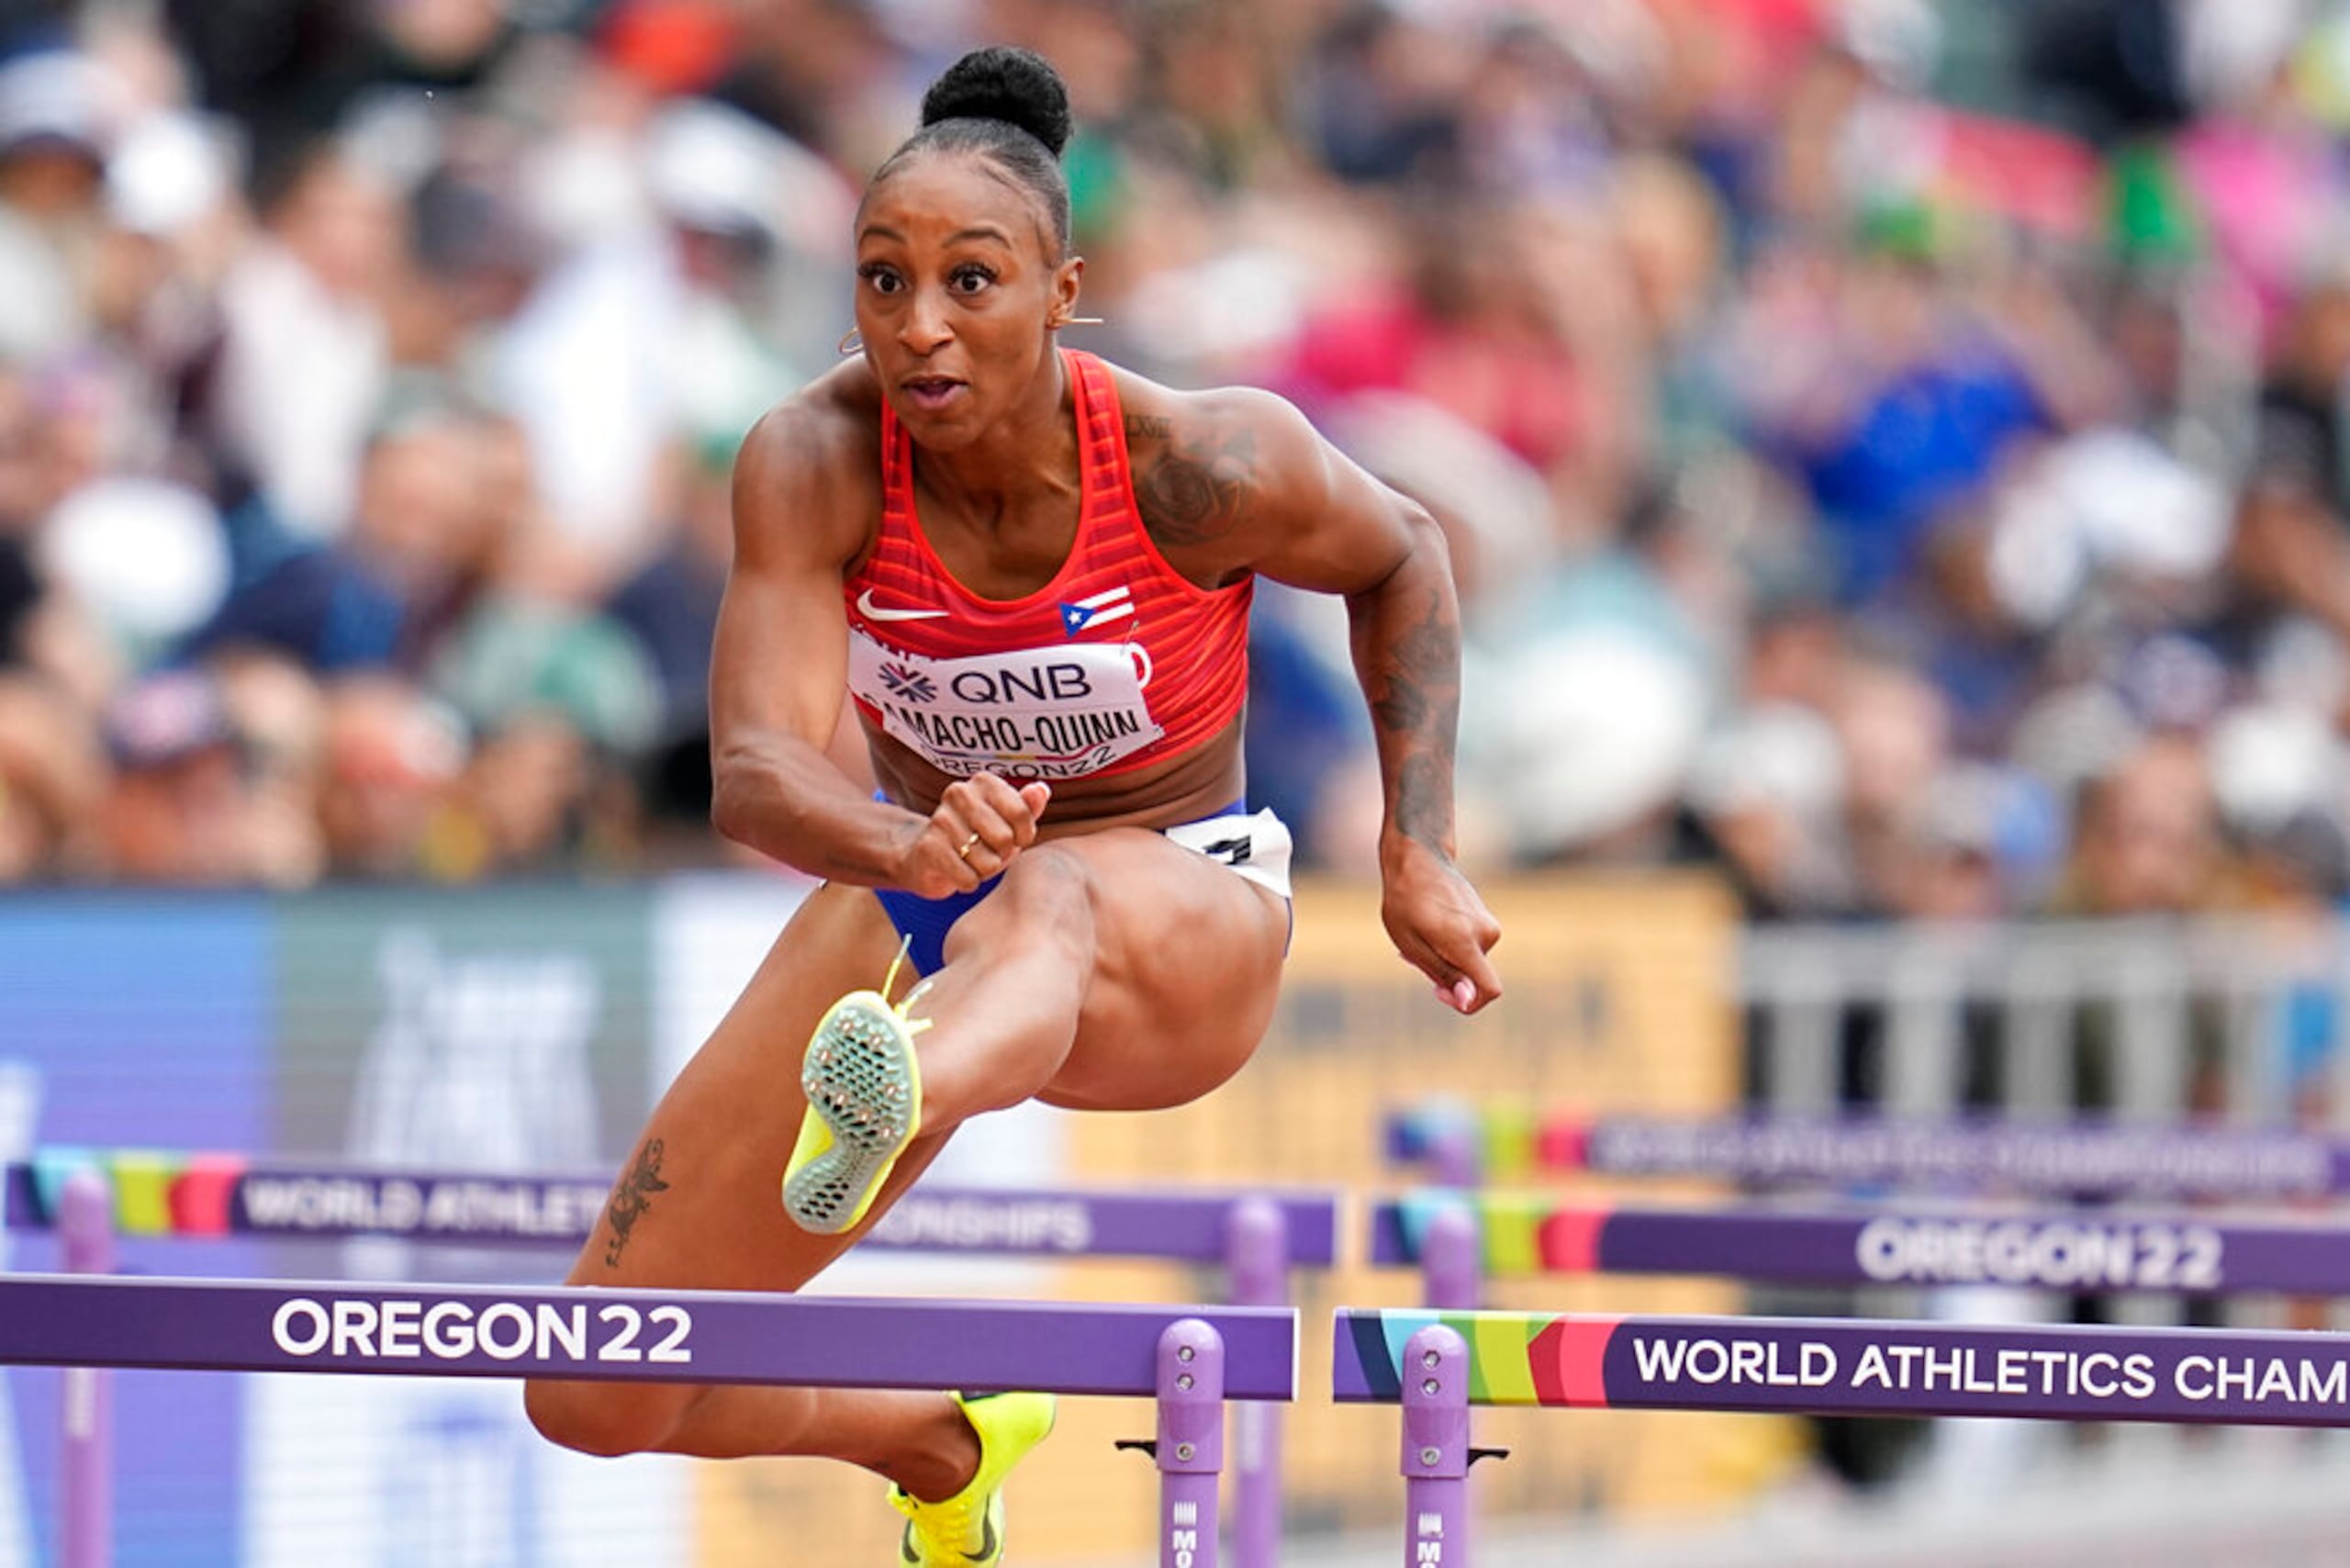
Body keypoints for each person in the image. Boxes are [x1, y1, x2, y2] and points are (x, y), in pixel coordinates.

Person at [523, 45, 1502, 1567]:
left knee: (1048, 888)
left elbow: (1407, 552)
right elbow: (756, 772)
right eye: (881, 281)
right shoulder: (813, 458)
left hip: (1179, 907)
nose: (921, 329)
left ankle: (908, 1078)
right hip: (923, 894)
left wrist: (1416, 847)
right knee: (592, 1386)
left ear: (1064, 290)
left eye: (970, 282)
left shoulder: (1201, 459)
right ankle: (937, 1434)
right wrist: (902, 845)